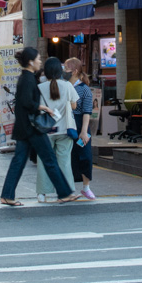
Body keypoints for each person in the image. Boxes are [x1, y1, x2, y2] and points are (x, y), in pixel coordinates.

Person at [0, 48, 79, 206]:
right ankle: (64, 193)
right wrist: (45, 108)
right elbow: (27, 102)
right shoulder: (28, 79)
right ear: (30, 62)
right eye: (37, 59)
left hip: (24, 127)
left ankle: (7, 195)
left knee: (20, 161)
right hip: (32, 128)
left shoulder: (27, 77)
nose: (40, 62)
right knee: (49, 159)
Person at [36, 57, 79, 203]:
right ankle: (68, 191)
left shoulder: (39, 87)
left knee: (44, 162)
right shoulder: (67, 85)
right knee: (64, 161)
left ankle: (42, 194)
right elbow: (74, 106)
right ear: (60, 71)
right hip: (65, 130)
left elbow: (37, 108)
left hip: (45, 130)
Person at [64, 58, 96, 200]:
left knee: (85, 156)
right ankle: (68, 189)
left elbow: (87, 112)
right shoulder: (62, 86)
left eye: (66, 69)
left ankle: (86, 188)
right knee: (67, 158)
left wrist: (84, 131)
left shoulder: (84, 89)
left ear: (75, 71)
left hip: (80, 123)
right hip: (65, 124)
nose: (63, 71)